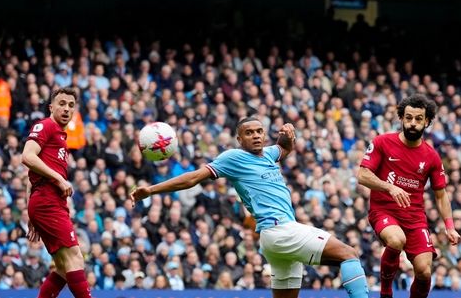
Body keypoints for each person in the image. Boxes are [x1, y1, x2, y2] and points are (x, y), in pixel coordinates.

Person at [130, 117, 369, 298]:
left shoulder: (267, 154)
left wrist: (288, 137)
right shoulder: (232, 157)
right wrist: (151, 190)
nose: (255, 136)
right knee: (349, 255)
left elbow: (283, 149)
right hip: (282, 231)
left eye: (259, 131)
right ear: (239, 139)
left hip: (274, 241)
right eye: (249, 133)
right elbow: (193, 178)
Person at [357, 94, 461, 298]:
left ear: (427, 121)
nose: (413, 123)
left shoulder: (431, 156)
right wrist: (390, 187)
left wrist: (450, 226)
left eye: (418, 119)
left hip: (415, 219)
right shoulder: (382, 142)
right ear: (401, 119)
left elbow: (441, 195)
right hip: (383, 211)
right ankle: (386, 292)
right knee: (396, 240)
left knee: (424, 272)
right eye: (408, 118)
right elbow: (362, 175)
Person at [21, 87, 92, 298]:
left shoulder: (60, 136)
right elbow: (27, 157)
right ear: (51, 107)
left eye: (71, 105)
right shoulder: (45, 126)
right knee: (75, 260)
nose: (66, 109)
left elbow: (29, 177)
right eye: (62, 103)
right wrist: (60, 179)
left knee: (64, 266)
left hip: (46, 202)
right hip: (48, 201)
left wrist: (31, 211)